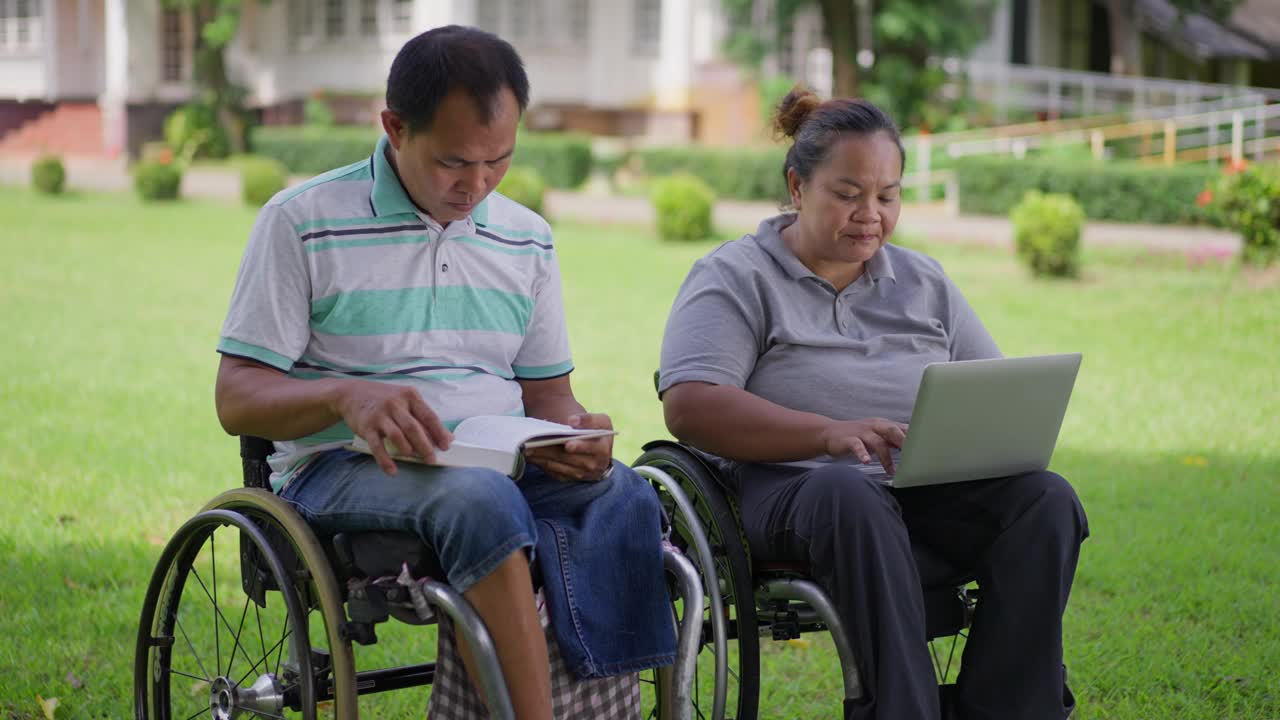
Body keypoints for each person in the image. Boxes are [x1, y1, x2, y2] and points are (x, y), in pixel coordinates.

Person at [215, 26, 674, 719]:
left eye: (500, 162)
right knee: (479, 502)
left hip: (498, 456)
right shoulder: (302, 223)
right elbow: (236, 398)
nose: (478, 185)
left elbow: (550, 395)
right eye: (455, 162)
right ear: (395, 128)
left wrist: (576, 434)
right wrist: (345, 395)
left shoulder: (525, 236)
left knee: (626, 496)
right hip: (344, 465)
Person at [658, 87, 1089, 720]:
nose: (870, 214)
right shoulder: (735, 277)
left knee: (1046, 499)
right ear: (797, 185)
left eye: (888, 196)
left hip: (920, 489)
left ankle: (1011, 709)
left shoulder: (923, 281)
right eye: (848, 192)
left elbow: (990, 389)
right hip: (793, 490)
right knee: (848, 491)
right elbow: (691, 406)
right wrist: (827, 433)